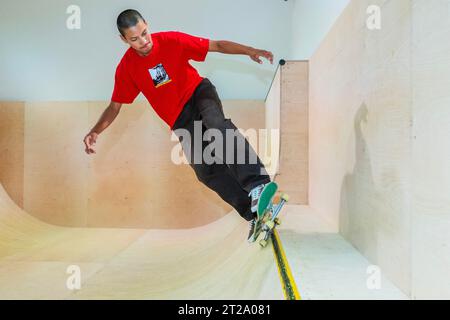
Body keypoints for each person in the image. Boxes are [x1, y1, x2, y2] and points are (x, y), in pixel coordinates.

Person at [83, 9, 274, 243]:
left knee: (217, 128)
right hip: (179, 119)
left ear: (147, 25)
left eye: (145, 33)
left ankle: (258, 184)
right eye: (135, 39)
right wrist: (95, 131)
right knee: (205, 171)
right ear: (124, 40)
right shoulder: (127, 68)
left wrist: (249, 51)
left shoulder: (171, 40)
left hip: (199, 93)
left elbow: (216, 45)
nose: (144, 42)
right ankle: (251, 212)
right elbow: (115, 107)